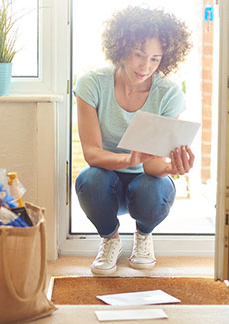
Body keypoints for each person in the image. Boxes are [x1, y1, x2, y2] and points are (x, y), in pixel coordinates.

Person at [73, 6, 194, 275]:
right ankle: (110, 239)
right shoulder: (92, 84)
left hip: (146, 183)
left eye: (155, 59)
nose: (145, 66)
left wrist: (172, 168)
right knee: (88, 179)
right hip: (107, 182)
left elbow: (152, 166)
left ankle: (143, 236)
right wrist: (129, 159)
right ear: (121, 47)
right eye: (139, 55)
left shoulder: (168, 93)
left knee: (157, 186)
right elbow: (92, 154)